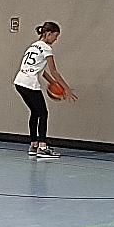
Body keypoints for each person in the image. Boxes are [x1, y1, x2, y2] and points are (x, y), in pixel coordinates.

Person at [13, 21, 78, 159]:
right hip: (30, 83)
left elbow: (41, 71)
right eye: (55, 36)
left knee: (35, 112)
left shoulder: (32, 46)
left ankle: (33, 145)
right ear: (48, 34)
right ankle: (42, 148)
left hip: (19, 82)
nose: (56, 39)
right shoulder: (47, 48)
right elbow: (54, 71)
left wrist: (53, 83)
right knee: (43, 113)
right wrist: (66, 88)